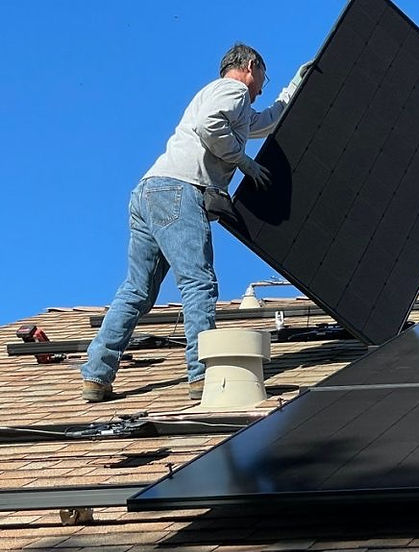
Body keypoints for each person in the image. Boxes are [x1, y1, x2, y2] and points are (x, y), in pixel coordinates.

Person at [81, 43, 312, 402]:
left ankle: (96, 375)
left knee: (136, 291)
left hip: (148, 192)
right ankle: (202, 376)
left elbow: (264, 122)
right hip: (179, 190)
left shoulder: (223, 97)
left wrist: (295, 86)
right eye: (264, 77)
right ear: (251, 66)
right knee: (198, 282)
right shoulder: (232, 90)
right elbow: (210, 126)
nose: (264, 86)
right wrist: (244, 163)